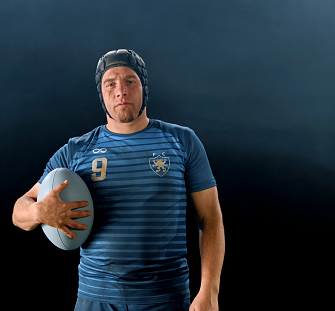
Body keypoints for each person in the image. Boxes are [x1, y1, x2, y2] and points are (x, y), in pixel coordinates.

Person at [12, 49, 225, 311]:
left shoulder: (182, 141)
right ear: (101, 95)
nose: (120, 91)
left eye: (130, 81)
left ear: (144, 88)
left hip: (165, 298)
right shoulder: (76, 150)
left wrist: (209, 292)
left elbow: (210, 217)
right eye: (110, 84)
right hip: (96, 298)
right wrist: (38, 211)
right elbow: (19, 210)